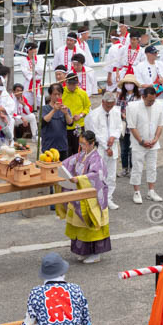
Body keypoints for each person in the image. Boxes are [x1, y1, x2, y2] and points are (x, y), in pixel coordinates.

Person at [20, 253, 93, 325]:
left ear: (43, 274)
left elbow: (29, 323)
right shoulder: (75, 289)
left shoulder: (36, 293)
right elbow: (85, 317)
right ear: (63, 271)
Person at [58, 130, 111, 264]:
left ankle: (95, 253)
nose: (82, 147)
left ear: (92, 143)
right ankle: (84, 252)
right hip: (80, 194)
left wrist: (79, 179)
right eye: (80, 144)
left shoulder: (97, 159)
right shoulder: (80, 155)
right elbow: (67, 163)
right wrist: (57, 166)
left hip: (92, 197)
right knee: (79, 225)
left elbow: (96, 175)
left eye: (84, 144)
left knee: (91, 223)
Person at [126, 85, 163, 204]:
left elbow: (160, 124)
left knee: (152, 167)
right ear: (143, 97)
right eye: (149, 100)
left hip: (153, 143)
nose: (152, 103)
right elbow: (132, 126)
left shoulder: (158, 105)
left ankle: (151, 191)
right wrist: (141, 141)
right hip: (139, 144)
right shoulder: (132, 107)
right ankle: (137, 191)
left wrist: (156, 138)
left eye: (153, 100)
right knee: (137, 167)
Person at [134, 44, 163, 148]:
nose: (155, 55)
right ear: (147, 54)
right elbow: (138, 83)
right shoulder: (140, 66)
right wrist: (150, 85)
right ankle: (147, 139)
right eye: (153, 53)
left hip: (161, 96)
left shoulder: (160, 64)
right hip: (147, 97)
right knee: (148, 120)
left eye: (156, 53)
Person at [85, 91, 122, 208]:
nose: (109, 108)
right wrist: (106, 147)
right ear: (103, 102)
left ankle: (108, 198)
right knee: (100, 174)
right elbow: (95, 133)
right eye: (107, 106)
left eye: (111, 106)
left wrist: (113, 137)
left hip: (114, 146)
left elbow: (119, 127)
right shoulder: (94, 114)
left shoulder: (115, 112)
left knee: (111, 174)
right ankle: (99, 197)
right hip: (101, 148)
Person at [60, 75, 91, 156]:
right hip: (65, 127)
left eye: (74, 84)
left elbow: (87, 107)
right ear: (66, 83)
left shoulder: (82, 93)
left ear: (77, 83)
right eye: (70, 84)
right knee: (67, 151)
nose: (72, 86)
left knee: (79, 150)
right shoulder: (61, 93)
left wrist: (80, 115)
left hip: (78, 126)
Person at [41, 84, 72, 163]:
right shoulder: (45, 108)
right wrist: (54, 110)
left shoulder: (65, 108)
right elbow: (44, 121)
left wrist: (66, 114)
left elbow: (70, 123)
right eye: (55, 94)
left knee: (62, 171)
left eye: (59, 94)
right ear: (50, 95)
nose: (57, 96)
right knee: (49, 171)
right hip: (48, 147)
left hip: (62, 146)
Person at [116, 75, 140, 178]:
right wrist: (122, 114)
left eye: (130, 83)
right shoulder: (120, 96)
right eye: (126, 83)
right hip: (123, 126)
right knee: (123, 149)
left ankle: (132, 169)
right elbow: (116, 109)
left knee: (132, 149)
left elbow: (139, 111)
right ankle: (125, 168)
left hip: (133, 127)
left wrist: (129, 115)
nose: (128, 85)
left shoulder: (138, 97)